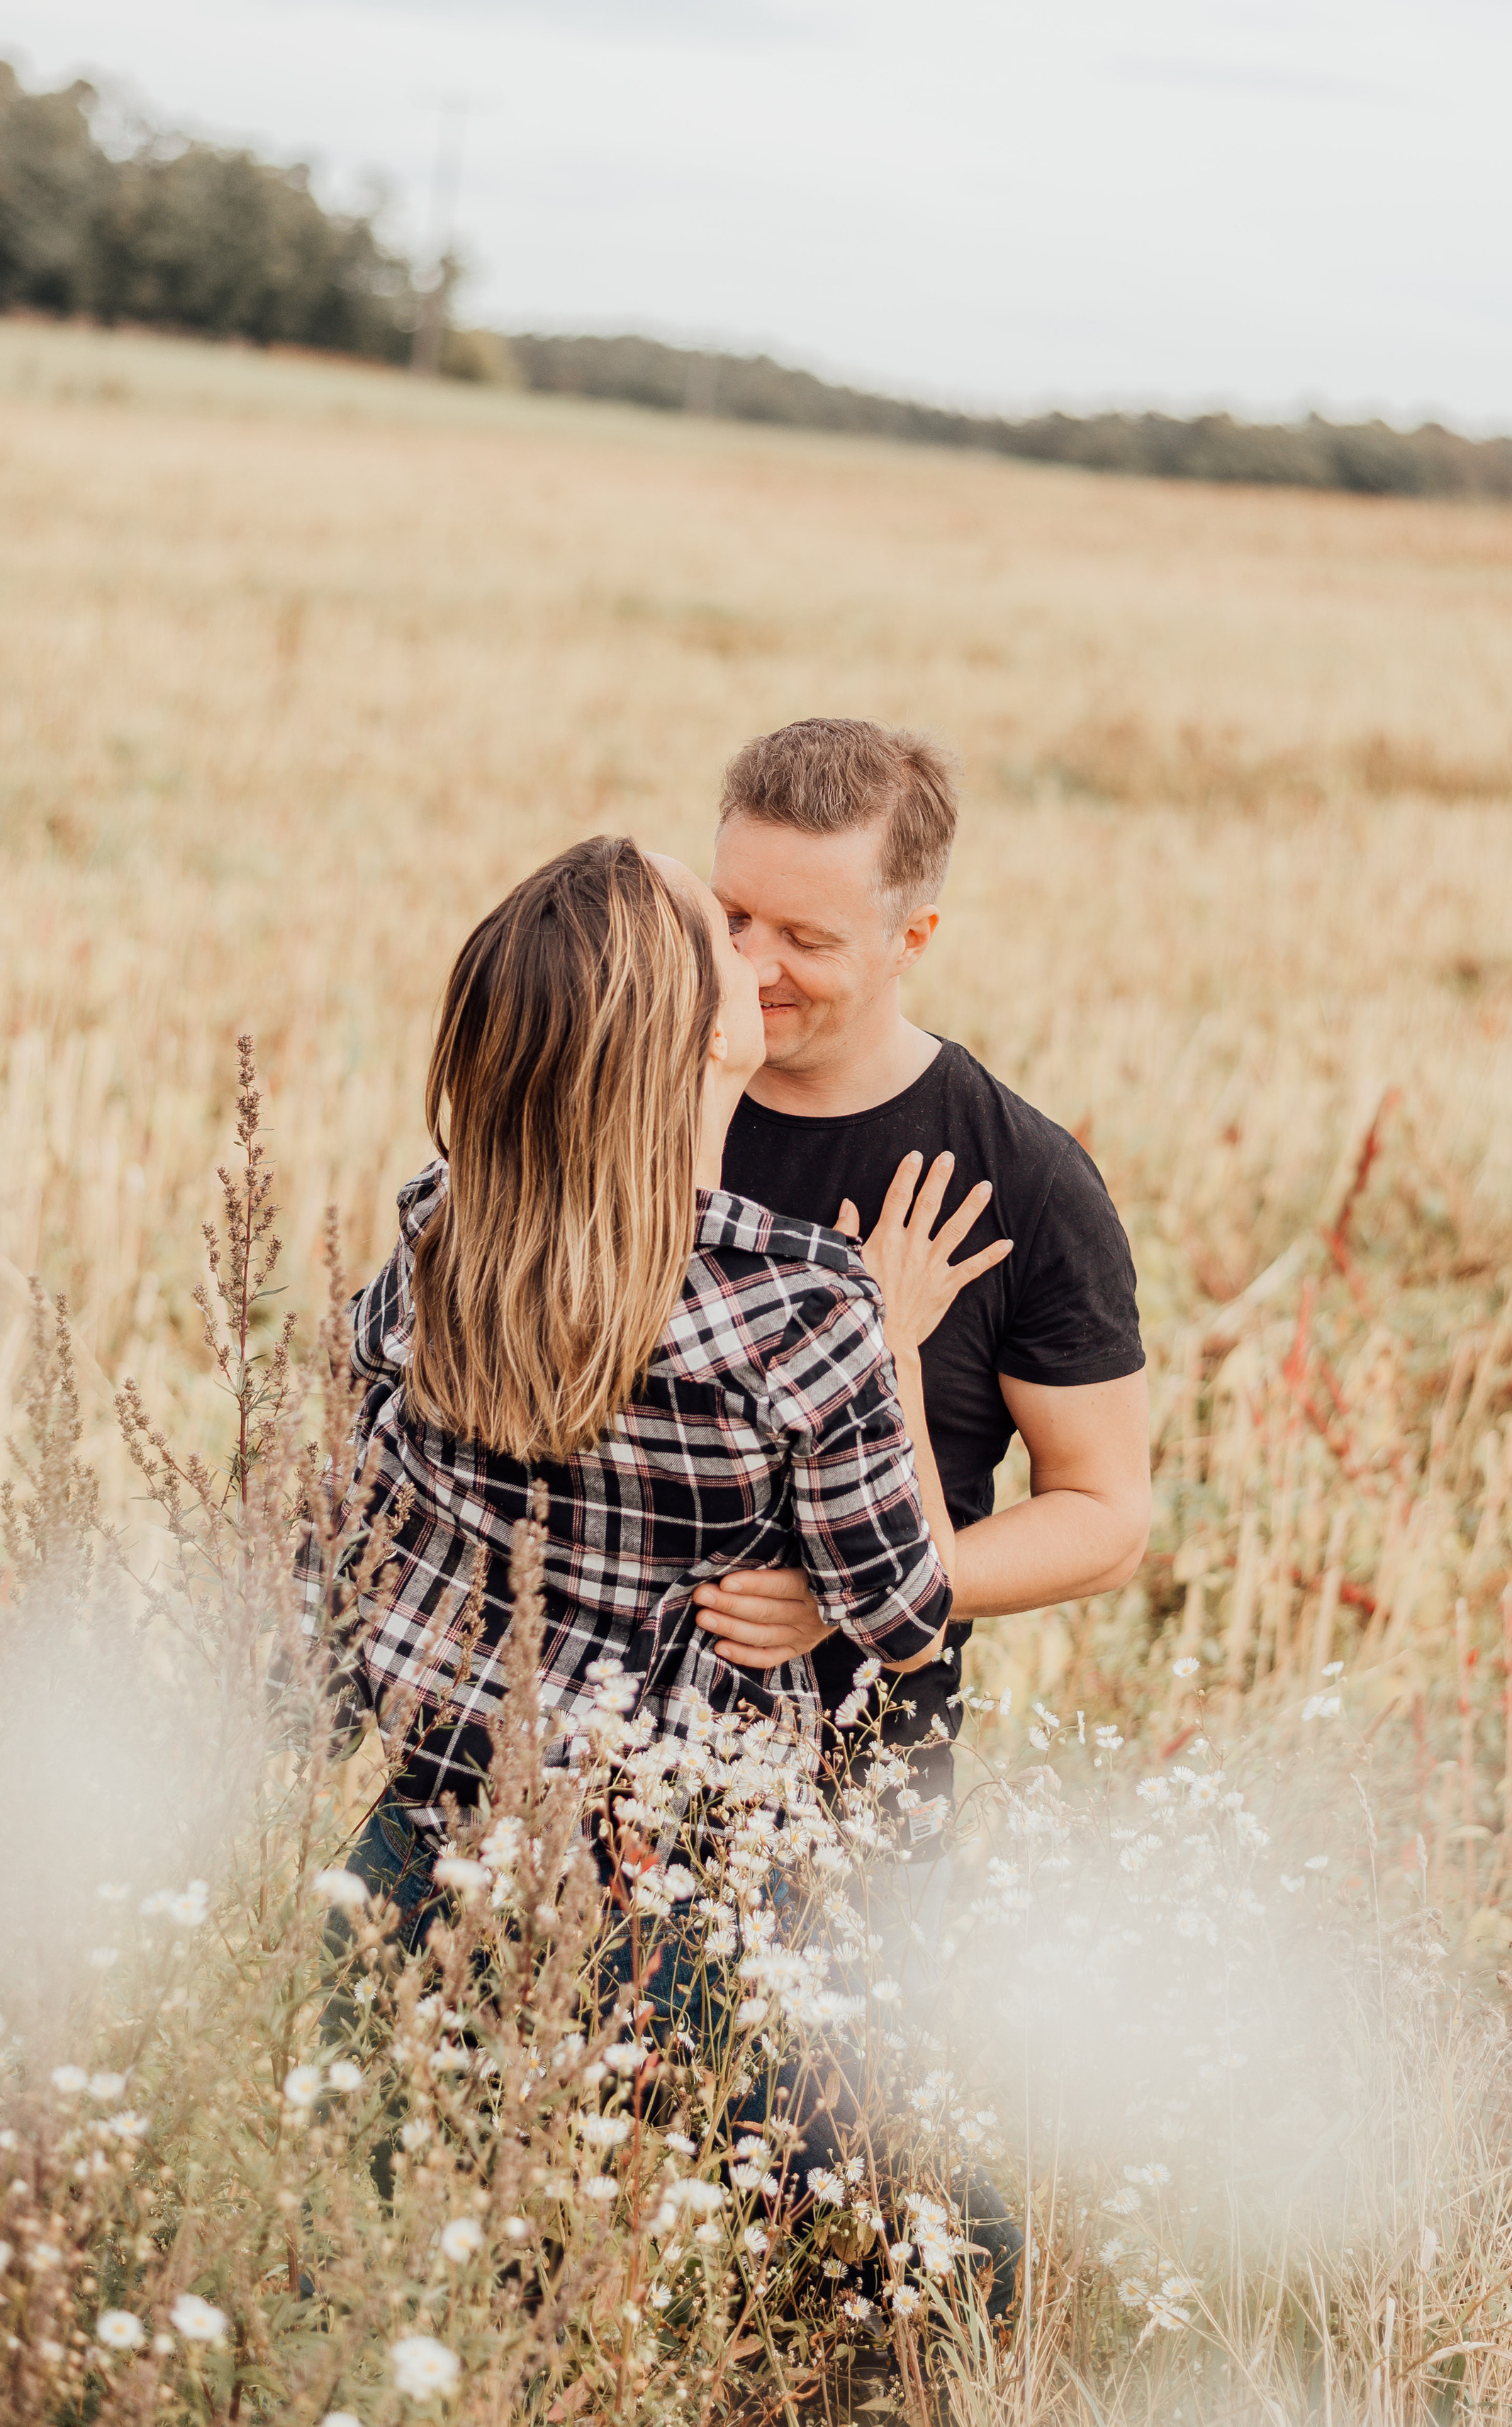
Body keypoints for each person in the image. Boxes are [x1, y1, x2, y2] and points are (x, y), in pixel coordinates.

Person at [300, 834, 1020, 2294]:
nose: (757, 961)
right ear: (703, 1037)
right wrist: (885, 1337)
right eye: (723, 942)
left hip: (418, 1850)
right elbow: (897, 1611)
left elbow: (345, 1510)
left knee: (419, 2273)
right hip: (659, 1897)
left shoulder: (443, 1230)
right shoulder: (800, 1309)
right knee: (939, 2256)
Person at [693, 719, 1151, 1952]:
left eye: (806, 938)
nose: (751, 963)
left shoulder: (1026, 1181)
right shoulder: (627, 1096)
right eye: (732, 915)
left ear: (914, 940)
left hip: (855, 1795)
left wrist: (866, 1595)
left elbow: (1106, 1515)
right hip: (574, 1750)